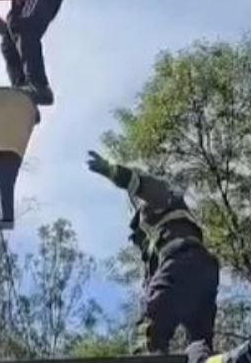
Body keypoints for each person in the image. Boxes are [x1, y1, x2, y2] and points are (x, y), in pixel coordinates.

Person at [86, 151, 220, 354]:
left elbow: (141, 185)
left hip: (182, 261)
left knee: (150, 327)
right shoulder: (157, 247)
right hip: (205, 274)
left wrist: (111, 170)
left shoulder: (163, 198)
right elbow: (152, 283)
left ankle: (148, 353)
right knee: (200, 339)